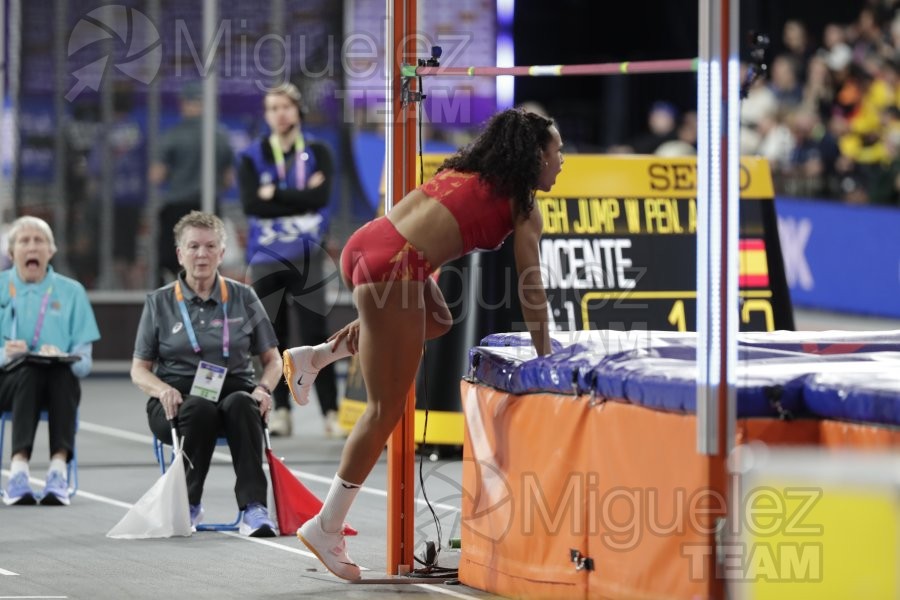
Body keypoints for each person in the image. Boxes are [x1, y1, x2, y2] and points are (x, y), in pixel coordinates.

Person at [283, 108, 564, 580]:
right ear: (535, 156)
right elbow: (531, 289)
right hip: (395, 269)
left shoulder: (463, 170)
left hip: (369, 245)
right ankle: (326, 525)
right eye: (557, 152)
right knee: (384, 410)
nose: (562, 162)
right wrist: (545, 357)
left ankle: (315, 356)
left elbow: (423, 231)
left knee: (437, 320)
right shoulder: (524, 206)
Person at [130, 211, 282, 537]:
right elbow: (139, 370)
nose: (202, 254)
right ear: (180, 254)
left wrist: (265, 389)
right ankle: (188, 504)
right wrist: (162, 391)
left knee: (244, 404)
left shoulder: (244, 297)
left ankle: (255, 508)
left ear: (222, 253)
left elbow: (274, 360)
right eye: (194, 246)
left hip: (234, 388)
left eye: (210, 246)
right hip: (177, 396)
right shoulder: (159, 302)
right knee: (198, 407)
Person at [237, 82, 339, 437]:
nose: (280, 113)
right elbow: (252, 204)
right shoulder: (252, 156)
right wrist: (301, 196)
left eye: (285, 106)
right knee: (271, 338)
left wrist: (276, 194)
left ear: (297, 110)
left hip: (308, 255)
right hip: (265, 257)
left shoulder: (319, 150)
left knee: (316, 337)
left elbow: (322, 197)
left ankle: (331, 414)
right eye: (272, 108)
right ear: (266, 115)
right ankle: (280, 411)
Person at [0, 216, 100, 506]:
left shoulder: (72, 292)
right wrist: (6, 353)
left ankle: (58, 471)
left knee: (62, 373)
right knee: (29, 371)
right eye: (25, 241)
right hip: (7, 383)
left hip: (59, 383)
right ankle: (18, 472)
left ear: (51, 251)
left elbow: (84, 363)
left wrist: (61, 356)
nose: (32, 247)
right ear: (12, 252)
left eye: (39, 241)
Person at [149, 81, 235, 285]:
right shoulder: (220, 136)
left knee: (170, 260)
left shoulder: (173, 136)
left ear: (184, 104)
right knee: (208, 260)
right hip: (209, 207)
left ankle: (169, 307)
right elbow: (229, 179)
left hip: (177, 207)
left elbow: (156, 175)